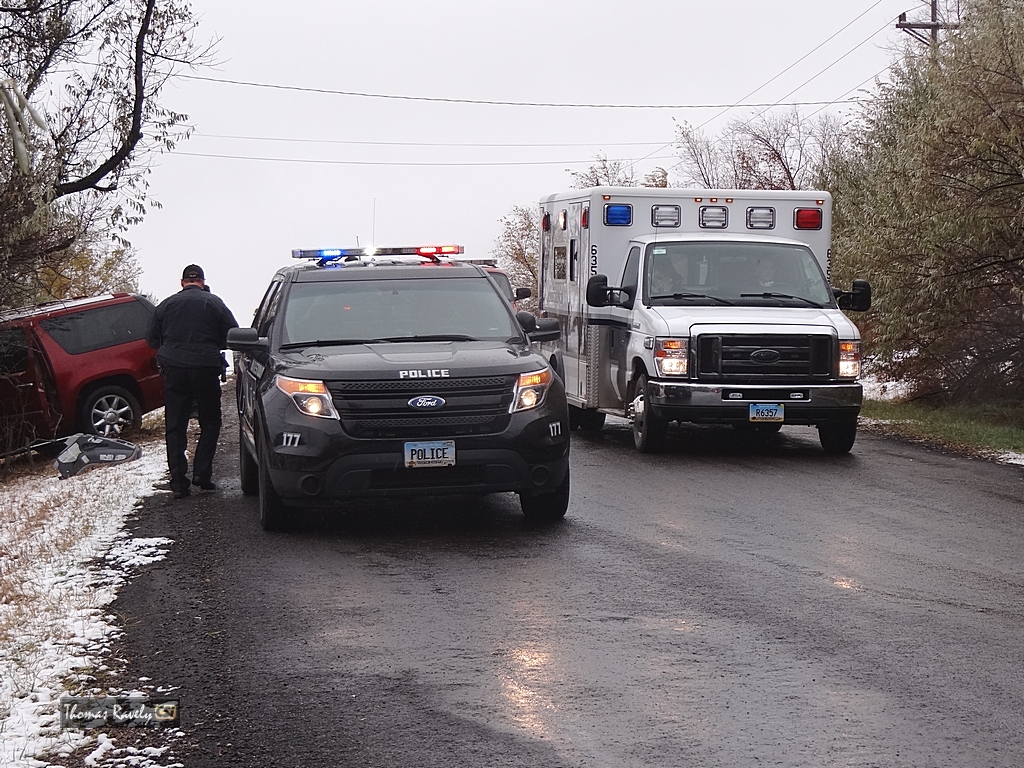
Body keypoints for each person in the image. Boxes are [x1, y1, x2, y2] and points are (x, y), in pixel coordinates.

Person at [147, 265, 238, 499]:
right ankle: (202, 474)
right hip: (205, 368)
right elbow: (232, 336)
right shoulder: (214, 302)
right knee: (210, 421)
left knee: (175, 425)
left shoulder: (166, 305)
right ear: (203, 281)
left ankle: (179, 483)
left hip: (175, 370)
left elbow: (151, 340)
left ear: (182, 282)